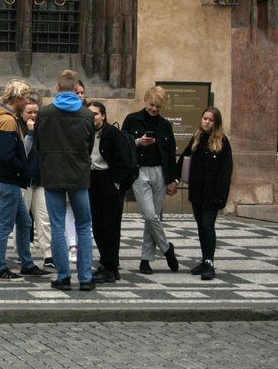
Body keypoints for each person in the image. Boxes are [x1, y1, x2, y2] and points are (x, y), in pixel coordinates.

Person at [36, 69, 96, 291]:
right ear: (76, 89)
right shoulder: (87, 116)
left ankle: (63, 276)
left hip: (52, 173)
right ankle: (86, 277)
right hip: (79, 174)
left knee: (58, 225)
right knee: (84, 225)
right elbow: (89, 146)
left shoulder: (45, 112)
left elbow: (39, 144)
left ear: (58, 88)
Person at [0, 79, 48, 280]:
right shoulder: (7, 121)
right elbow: (6, 155)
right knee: (5, 225)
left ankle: (27, 264)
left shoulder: (3, 117)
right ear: (19, 98)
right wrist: (24, 170)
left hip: (6, 179)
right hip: (7, 180)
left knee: (25, 221)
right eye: (26, 97)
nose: (28, 100)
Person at [122, 85, 180, 274]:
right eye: (152, 104)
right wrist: (139, 142)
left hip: (160, 172)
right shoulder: (132, 120)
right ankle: (167, 248)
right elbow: (122, 144)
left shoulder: (165, 125)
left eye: (158, 106)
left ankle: (145, 260)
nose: (154, 109)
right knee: (149, 214)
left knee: (153, 217)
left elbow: (171, 153)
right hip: (139, 171)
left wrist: (174, 179)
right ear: (146, 100)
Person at [178, 107, 233, 280]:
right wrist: (173, 178)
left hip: (213, 194)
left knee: (208, 226)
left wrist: (221, 194)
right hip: (197, 193)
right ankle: (204, 260)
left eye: (210, 120)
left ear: (216, 123)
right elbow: (184, 158)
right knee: (201, 226)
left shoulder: (222, 141)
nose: (207, 122)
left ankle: (209, 262)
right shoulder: (197, 138)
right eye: (204, 118)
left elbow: (226, 170)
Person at [88, 101, 132, 283]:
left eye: (96, 114)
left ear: (103, 115)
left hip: (109, 180)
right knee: (97, 224)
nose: (92, 118)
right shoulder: (87, 133)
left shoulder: (113, 134)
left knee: (111, 225)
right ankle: (108, 264)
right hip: (92, 179)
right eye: (89, 114)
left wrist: (117, 183)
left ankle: (109, 265)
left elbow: (124, 161)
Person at [21, 94, 52, 268]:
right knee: (24, 219)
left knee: (44, 218)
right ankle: (23, 251)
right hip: (24, 180)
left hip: (40, 178)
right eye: (29, 112)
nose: (33, 116)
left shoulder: (44, 127)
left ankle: (48, 254)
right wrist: (30, 133)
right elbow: (23, 152)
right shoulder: (18, 127)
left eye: (35, 112)